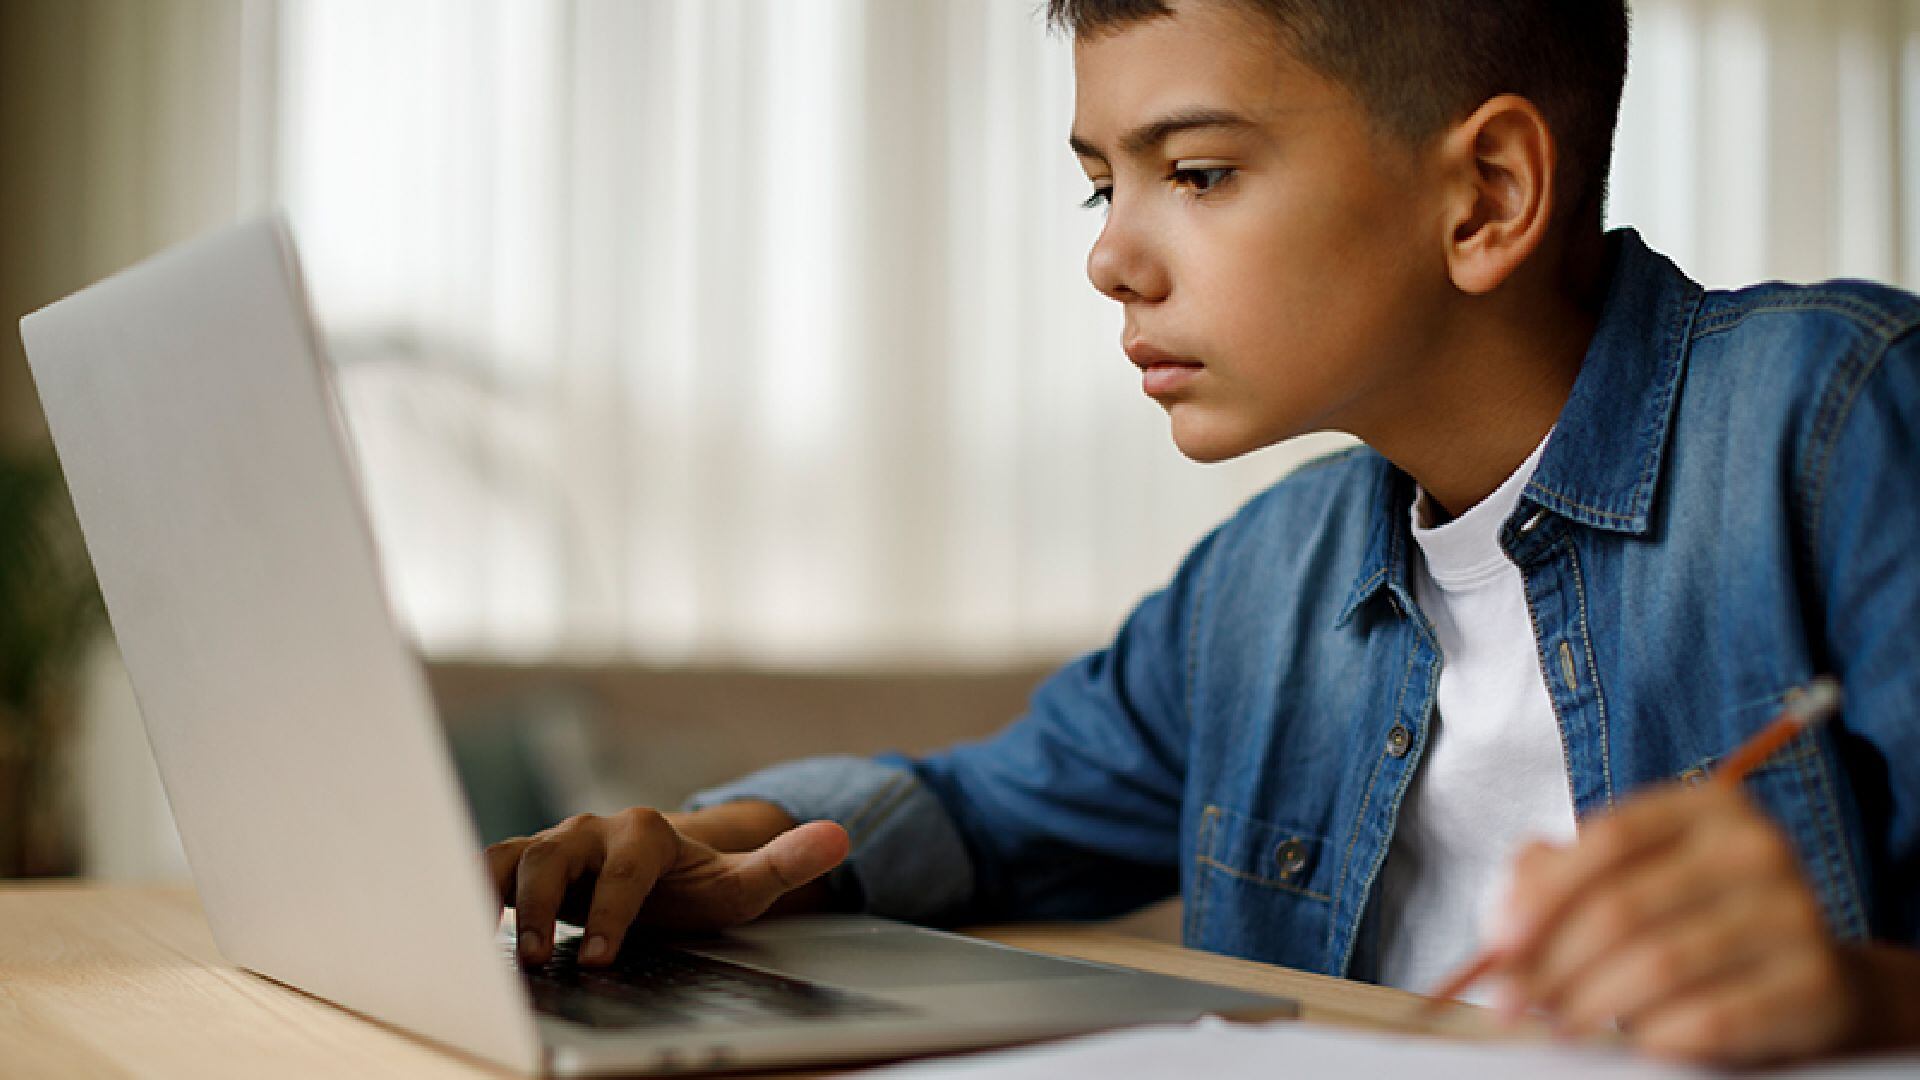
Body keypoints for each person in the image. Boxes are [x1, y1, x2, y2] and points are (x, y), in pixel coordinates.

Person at [484, 0, 1920, 1065]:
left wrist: (1865, 1001)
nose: (1109, 255)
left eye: (1201, 172)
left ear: (1485, 197)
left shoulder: (1839, 422)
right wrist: (714, 840)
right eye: (1104, 182)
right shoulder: (1265, 581)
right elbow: (983, 811)